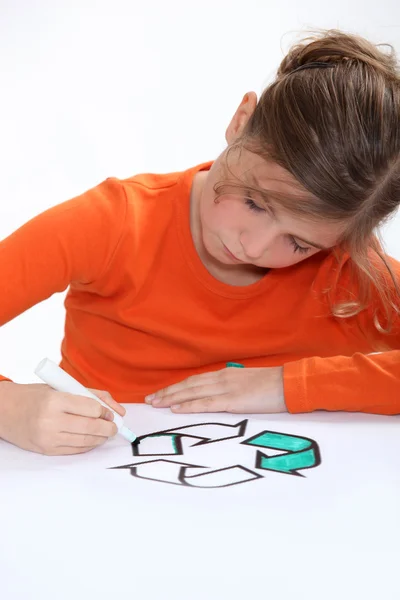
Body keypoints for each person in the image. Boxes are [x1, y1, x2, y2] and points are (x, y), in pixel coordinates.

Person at [0, 30, 399, 456]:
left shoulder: (348, 272)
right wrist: (8, 408)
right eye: (254, 202)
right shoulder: (111, 223)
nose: (254, 247)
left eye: (299, 244)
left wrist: (287, 386)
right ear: (241, 120)